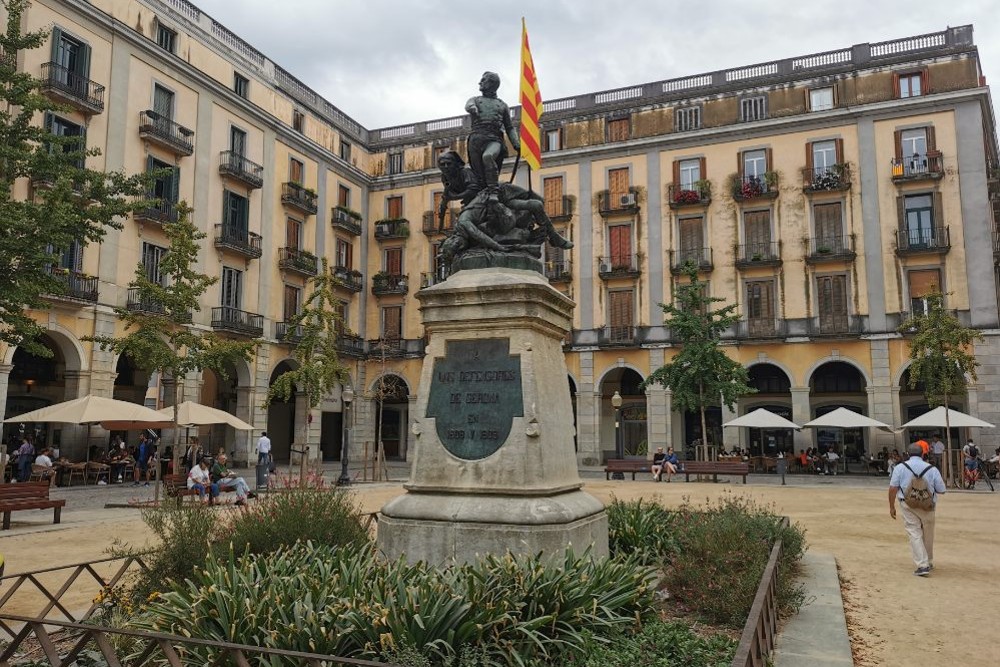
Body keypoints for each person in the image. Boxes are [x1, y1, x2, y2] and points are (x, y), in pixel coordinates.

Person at [888, 442, 946, 576]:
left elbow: (893, 488)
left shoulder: (900, 468)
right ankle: (929, 561)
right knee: (928, 533)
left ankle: (922, 564)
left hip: (908, 504)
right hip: (928, 505)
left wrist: (891, 506)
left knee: (914, 532)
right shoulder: (932, 468)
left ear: (907, 454)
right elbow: (942, 490)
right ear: (923, 454)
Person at [465, 71, 520, 193]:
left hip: (494, 139)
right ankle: (483, 196)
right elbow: (468, 105)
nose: (480, 82)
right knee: (479, 176)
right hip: (476, 140)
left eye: (483, 80)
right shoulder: (475, 100)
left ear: (492, 83)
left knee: (488, 156)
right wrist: (472, 108)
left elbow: (509, 127)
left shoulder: (502, 105)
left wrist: (516, 143)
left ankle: (494, 192)